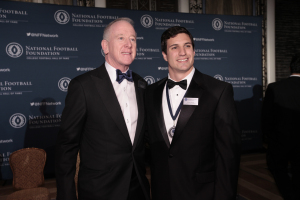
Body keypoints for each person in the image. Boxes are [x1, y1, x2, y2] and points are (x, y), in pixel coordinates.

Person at [55, 18, 150, 200]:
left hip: (138, 188)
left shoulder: (141, 84)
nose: (129, 44)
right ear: (105, 46)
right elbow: (66, 147)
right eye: (121, 38)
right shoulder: (83, 86)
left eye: (133, 39)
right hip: (100, 190)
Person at [145, 26, 241, 200]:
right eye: (174, 47)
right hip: (162, 190)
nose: (183, 52)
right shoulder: (150, 92)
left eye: (187, 46)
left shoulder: (218, 91)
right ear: (164, 55)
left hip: (202, 192)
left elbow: (228, 155)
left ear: (194, 51)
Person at [262, 54, 300, 200]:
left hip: (280, 141)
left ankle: (289, 195)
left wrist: (267, 139)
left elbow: (266, 117)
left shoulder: (274, 88)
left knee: (277, 169)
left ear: (290, 68)